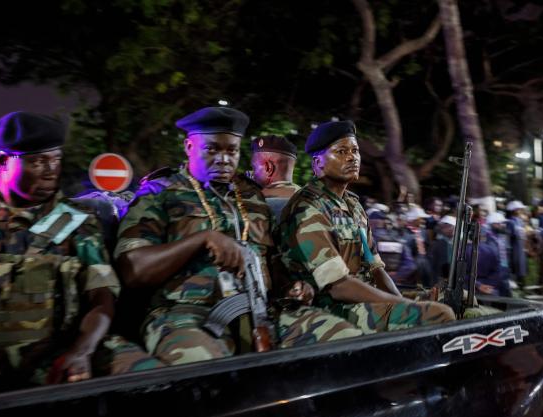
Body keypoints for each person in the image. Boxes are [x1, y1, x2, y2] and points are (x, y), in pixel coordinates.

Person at [112, 107, 361, 371]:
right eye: (212, 150)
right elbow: (132, 270)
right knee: (208, 370)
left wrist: (292, 286)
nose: (223, 159)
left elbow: (270, 259)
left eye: (231, 151)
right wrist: (201, 240)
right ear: (188, 147)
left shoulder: (251, 196)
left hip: (260, 311)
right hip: (184, 315)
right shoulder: (159, 194)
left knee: (344, 342)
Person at [0, 112, 120, 392]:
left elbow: (101, 296)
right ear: (2, 161)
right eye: (37, 161)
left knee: (148, 374)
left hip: (52, 357)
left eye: (56, 159)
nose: (51, 170)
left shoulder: (75, 219)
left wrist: (82, 350)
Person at [279, 120, 455, 334]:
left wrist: (400, 301)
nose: (352, 157)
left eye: (355, 150)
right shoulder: (308, 207)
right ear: (318, 164)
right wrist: (403, 306)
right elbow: (338, 285)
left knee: (457, 302)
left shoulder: (353, 205)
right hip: (325, 306)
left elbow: (375, 268)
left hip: (359, 298)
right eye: (341, 151)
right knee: (440, 315)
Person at [250, 135, 300, 221]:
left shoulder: (251, 203)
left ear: (268, 168)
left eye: (254, 168)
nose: (252, 174)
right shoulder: (313, 200)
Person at [368, 210, 416, 287]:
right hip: (395, 285)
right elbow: (410, 265)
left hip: (373, 284)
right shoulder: (398, 239)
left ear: (370, 222)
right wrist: (395, 276)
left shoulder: (367, 240)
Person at [506, 200, 528, 289]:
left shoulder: (520, 221)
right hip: (514, 248)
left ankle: (520, 284)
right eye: (519, 209)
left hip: (521, 247)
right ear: (514, 210)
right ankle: (513, 286)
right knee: (514, 266)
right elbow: (509, 236)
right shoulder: (510, 222)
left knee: (521, 267)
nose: (521, 211)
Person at [429, 215, 456, 287]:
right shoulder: (437, 244)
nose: (447, 229)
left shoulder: (461, 243)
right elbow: (433, 265)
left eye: (449, 226)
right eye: (444, 227)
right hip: (440, 279)